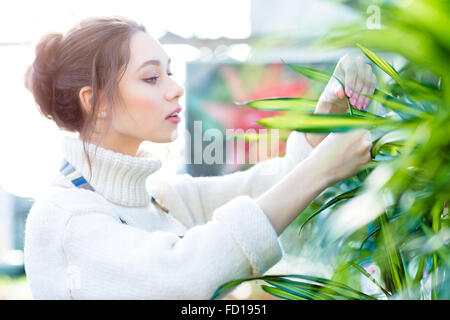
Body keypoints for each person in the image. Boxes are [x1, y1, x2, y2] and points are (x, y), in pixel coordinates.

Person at [23, 16, 375, 300]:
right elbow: (182, 279)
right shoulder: (64, 217)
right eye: (151, 77)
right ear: (95, 102)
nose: (175, 88)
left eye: (170, 73)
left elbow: (265, 186)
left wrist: (325, 118)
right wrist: (320, 169)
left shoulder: (160, 198)